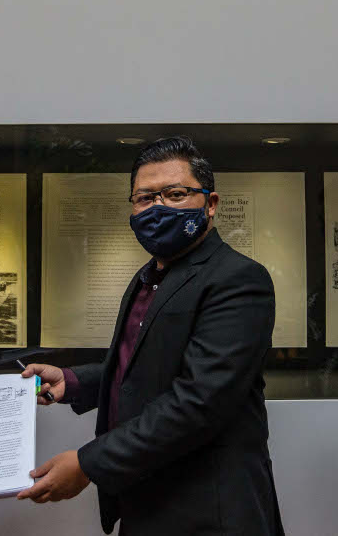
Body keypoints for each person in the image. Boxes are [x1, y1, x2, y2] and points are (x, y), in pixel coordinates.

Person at [18, 137, 284, 536]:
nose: (158, 208)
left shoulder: (238, 278)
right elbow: (145, 365)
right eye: (144, 198)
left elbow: (198, 401)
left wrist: (88, 464)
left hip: (208, 511)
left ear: (210, 204)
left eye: (175, 194)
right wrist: (72, 381)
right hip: (146, 500)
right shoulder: (148, 277)